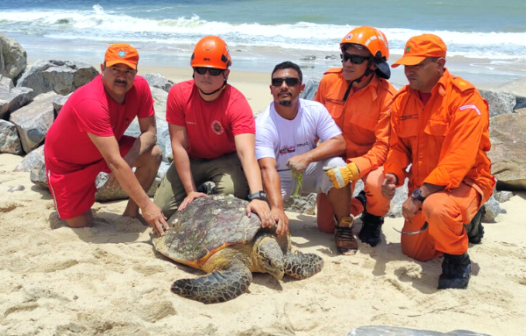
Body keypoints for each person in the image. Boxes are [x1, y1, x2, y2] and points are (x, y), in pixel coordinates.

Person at [381, 34, 494, 289]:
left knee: (438, 208)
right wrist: (393, 175)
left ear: (440, 64)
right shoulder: (402, 100)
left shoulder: (465, 99)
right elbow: (398, 147)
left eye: (418, 65)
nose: (410, 71)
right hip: (425, 187)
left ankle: (457, 260)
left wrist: (421, 195)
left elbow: (459, 158)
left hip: (465, 181)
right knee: (416, 252)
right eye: (407, 65)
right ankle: (465, 224)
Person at [45, 43, 169, 236]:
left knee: (154, 154)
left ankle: (131, 213)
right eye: (115, 69)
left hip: (108, 149)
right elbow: (114, 162)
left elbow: (150, 132)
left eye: (128, 71)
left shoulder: (141, 87)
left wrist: (126, 162)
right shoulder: (91, 102)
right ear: (102, 69)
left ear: (136, 72)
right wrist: (149, 206)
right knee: (82, 223)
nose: (122, 76)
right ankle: (73, 201)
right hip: (68, 164)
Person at [153, 36, 272, 228]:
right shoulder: (179, 94)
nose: (206, 75)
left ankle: (210, 188)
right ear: (193, 70)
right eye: (201, 69)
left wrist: (258, 196)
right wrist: (190, 191)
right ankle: (199, 188)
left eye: (214, 71)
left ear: (226, 73)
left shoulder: (237, 103)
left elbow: (246, 152)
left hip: (224, 159)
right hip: (191, 158)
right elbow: (178, 145)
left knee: (231, 194)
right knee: (164, 209)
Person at [256, 61, 357, 255]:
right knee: (265, 222)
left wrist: (307, 157)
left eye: (290, 81)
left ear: (301, 87)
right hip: (279, 176)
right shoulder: (263, 124)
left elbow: (339, 142)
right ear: (271, 89)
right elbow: (266, 169)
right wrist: (277, 208)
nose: (284, 86)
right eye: (278, 82)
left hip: (309, 170)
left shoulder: (315, 110)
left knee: (338, 167)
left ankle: (344, 227)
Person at [315, 26, 397, 247]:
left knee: (377, 183)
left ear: (373, 64)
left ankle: (373, 217)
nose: (347, 64)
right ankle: (358, 202)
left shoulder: (388, 97)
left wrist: (354, 169)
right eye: (345, 57)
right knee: (325, 227)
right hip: (336, 159)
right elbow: (311, 125)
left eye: (356, 59)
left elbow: (382, 147)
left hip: (370, 161)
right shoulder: (329, 82)